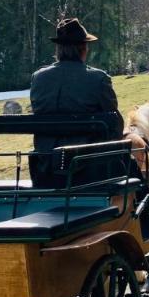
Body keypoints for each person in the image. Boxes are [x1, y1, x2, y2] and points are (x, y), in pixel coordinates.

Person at [29, 18, 123, 187]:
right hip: (89, 169)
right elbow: (115, 124)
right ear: (83, 48)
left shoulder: (38, 78)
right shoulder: (98, 79)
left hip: (44, 169)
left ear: (58, 50)